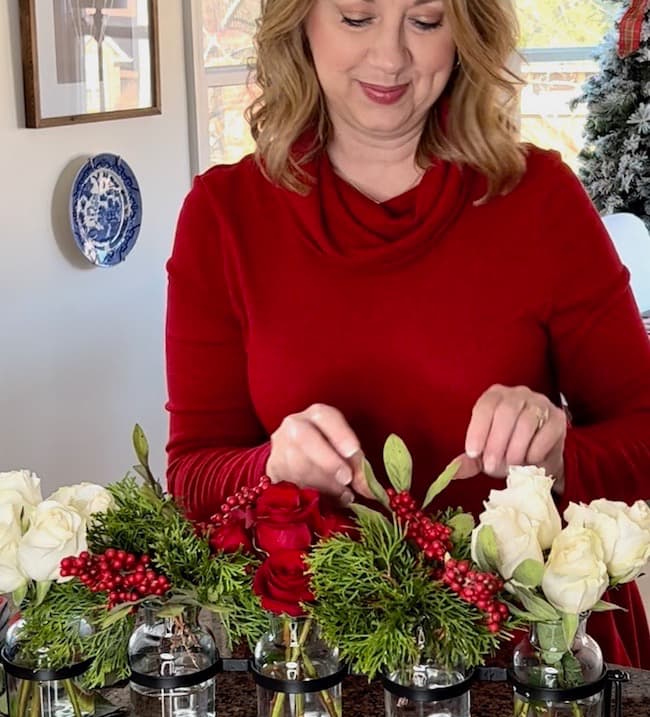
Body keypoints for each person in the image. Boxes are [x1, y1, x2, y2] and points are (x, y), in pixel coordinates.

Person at [165, 0, 650, 667]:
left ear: (467, 31)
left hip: (530, 664)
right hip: (314, 669)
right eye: (356, 18)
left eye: (425, 21)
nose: (391, 58)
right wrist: (271, 466)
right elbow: (192, 473)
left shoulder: (541, 200)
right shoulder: (222, 218)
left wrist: (562, 453)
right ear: (301, 22)